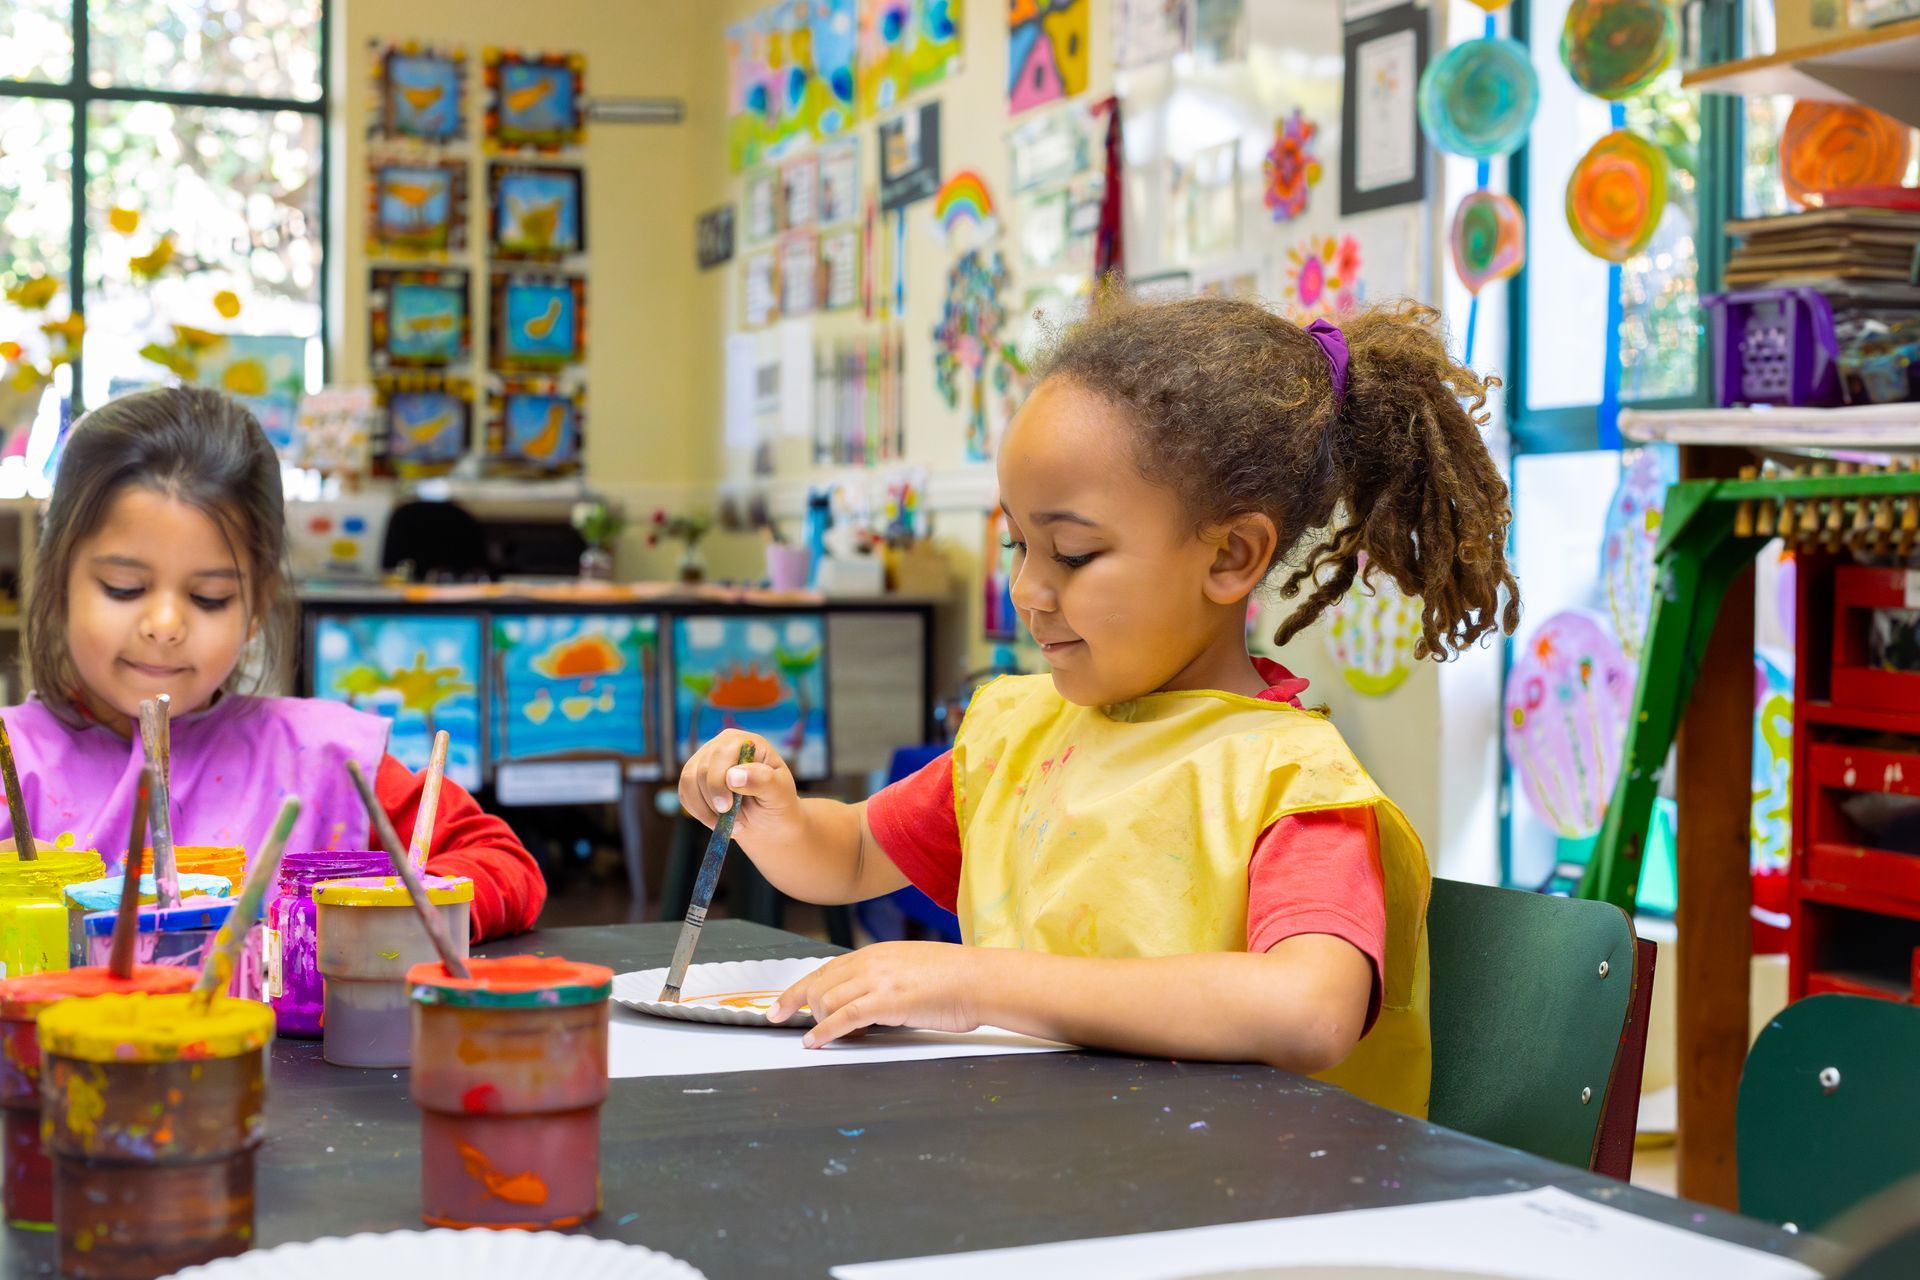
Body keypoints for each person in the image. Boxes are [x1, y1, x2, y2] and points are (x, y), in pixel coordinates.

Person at [682, 297, 1519, 1116]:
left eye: (1074, 554)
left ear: (1231, 555)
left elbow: (1310, 1010)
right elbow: (858, 854)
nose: (1027, 590)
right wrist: (775, 816)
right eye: (1017, 544)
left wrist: (982, 982)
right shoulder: (1025, 732)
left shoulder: (1291, 783)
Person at [0, 386, 543, 941]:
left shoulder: (327, 760)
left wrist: (396, 920)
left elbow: (500, 861)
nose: (164, 624)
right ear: (58, 579)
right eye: (124, 587)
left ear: (256, 606)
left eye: (210, 596)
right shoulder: (12, 766)